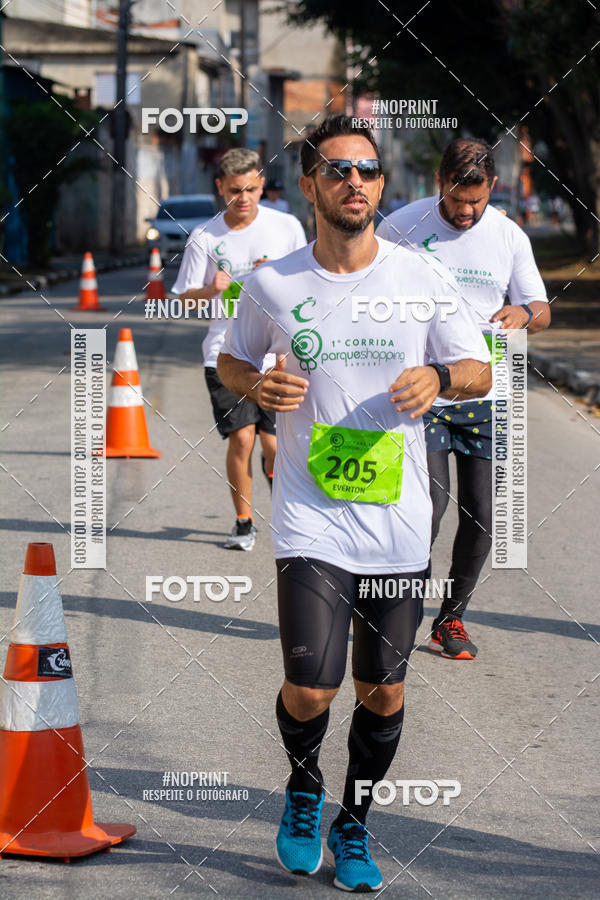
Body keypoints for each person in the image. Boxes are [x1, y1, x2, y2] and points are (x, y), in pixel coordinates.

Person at [218, 116, 491, 891]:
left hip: (399, 521)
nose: (356, 183)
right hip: (310, 515)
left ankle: (356, 822)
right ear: (309, 184)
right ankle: (305, 790)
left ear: (380, 184)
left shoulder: (418, 276)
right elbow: (234, 359)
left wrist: (441, 379)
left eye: (368, 170)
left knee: (385, 689)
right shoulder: (274, 282)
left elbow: (479, 367)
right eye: (339, 170)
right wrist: (254, 386)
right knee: (311, 686)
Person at [377, 138, 550, 659]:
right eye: (457, 202)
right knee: (425, 510)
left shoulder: (509, 236)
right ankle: (400, 608)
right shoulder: (401, 225)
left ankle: (449, 621)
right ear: (440, 184)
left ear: (492, 187)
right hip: (421, 391)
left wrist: (523, 315)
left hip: (484, 394)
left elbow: (540, 307)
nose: (466, 212)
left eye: (476, 201)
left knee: (481, 516)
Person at [172, 148, 305, 550]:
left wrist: (276, 274)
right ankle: (244, 523)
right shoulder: (205, 236)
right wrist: (211, 289)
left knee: (274, 444)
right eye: (234, 191)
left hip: (278, 354)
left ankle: (287, 514)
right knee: (243, 439)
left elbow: (308, 284)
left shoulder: (287, 227)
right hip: (225, 354)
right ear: (220, 188)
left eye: (250, 189)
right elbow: (182, 299)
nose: (243, 198)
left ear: (262, 184)